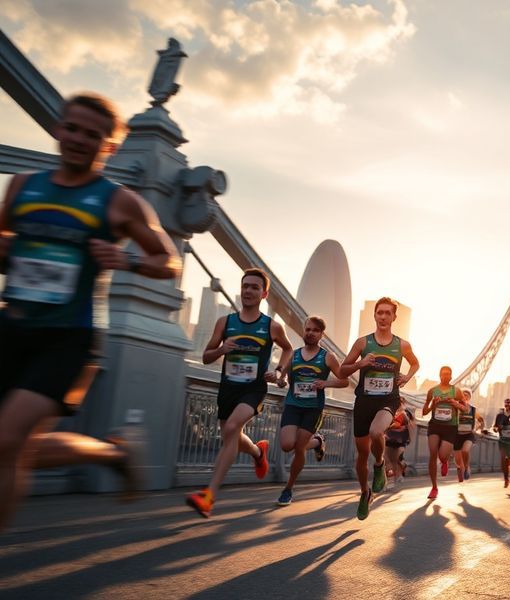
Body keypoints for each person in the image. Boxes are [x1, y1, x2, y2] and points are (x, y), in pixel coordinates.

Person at [0, 92, 182, 530]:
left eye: (92, 135)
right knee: (18, 444)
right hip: (11, 327)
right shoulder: (22, 186)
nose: (79, 139)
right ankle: (113, 452)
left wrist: (129, 260)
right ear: (57, 129)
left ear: (109, 147)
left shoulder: (119, 201)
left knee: (6, 441)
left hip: (68, 337)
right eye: (72, 128)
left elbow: (169, 261)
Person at [185, 268, 293, 518]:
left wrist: (278, 372)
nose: (248, 290)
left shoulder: (272, 326)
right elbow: (205, 357)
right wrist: (223, 349)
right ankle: (258, 452)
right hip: (228, 388)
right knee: (230, 433)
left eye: (255, 287)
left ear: (264, 294)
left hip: (253, 389)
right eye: (245, 286)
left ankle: (209, 495)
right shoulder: (225, 323)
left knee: (232, 427)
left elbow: (288, 350)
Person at [340, 297, 419, 520]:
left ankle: (380, 464)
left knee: (376, 432)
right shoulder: (362, 343)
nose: (383, 316)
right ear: (374, 316)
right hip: (364, 400)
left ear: (394, 317)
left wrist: (407, 376)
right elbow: (342, 371)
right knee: (361, 454)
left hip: (388, 399)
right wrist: (360, 364)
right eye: (379, 313)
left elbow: (415, 363)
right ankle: (365, 494)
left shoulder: (402, 345)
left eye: (387, 313)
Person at [275, 316, 348, 506]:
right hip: (293, 404)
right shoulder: (295, 354)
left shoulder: (328, 357)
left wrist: (326, 383)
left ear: (321, 334)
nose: (310, 333)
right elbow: (283, 378)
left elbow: (344, 380)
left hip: (313, 408)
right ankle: (317, 442)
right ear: (303, 331)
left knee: (299, 447)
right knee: (286, 445)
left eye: (315, 330)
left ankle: (288, 489)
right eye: (308, 329)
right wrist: (280, 380)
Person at [422, 366, 467, 499]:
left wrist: (455, 403)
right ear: (439, 375)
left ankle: (445, 460)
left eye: (448, 374)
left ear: (451, 376)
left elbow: (465, 408)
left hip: (450, 427)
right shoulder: (432, 391)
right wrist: (433, 405)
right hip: (435, 425)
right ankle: (434, 487)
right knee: (432, 454)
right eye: (443, 374)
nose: (446, 376)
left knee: (442, 456)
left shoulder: (457, 391)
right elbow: (424, 411)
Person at [454, 389, 484, 482]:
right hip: (457, 435)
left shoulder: (473, 409)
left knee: (465, 451)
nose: (465, 396)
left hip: (468, 434)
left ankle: (466, 468)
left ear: (469, 398)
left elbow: (481, 421)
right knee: (458, 461)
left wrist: (480, 429)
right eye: (463, 395)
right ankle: (460, 467)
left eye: (467, 395)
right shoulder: (455, 407)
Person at [385, 398, 415, 489]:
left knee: (397, 459)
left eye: (400, 402)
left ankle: (399, 472)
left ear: (403, 403)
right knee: (388, 461)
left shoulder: (406, 413)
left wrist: (410, 438)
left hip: (401, 440)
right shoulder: (388, 412)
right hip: (389, 439)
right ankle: (390, 479)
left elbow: (410, 426)